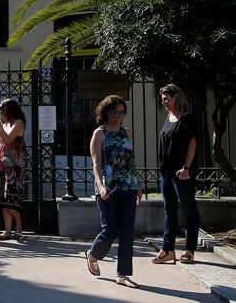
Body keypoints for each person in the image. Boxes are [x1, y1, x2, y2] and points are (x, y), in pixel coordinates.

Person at [85, 95, 142, 289]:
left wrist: (138, 185)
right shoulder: (99, 133)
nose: (119, 117)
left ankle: (123, 274)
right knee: (109, 231)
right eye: (115, 113)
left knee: (127, 233)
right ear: (106, 112)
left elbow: (131, 161)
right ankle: (92, 254)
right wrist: (100, 186)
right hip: (108, 190)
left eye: (122, 113)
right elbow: (96, 164)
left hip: (128, 188)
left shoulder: (127, 132)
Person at [152, 83, 201, 265]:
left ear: (176, 97)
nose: (163, 102)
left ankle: (189, 250)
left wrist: (186, 168)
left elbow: (192, 144)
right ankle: (167, 250)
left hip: (182, 172)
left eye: (166, 98)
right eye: (163, 98)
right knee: (169, 210)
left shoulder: (187, 119)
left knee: (189, 210)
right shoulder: (169, 118)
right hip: (167, 172)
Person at [0, 98, 26, 240]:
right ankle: (8, 230)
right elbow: (2, 145)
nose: (0, 112)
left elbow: (8, 140)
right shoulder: (6, 124)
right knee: (3, 199)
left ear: (9, 110)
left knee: (11, 197)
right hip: (1, 164)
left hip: (13, 165)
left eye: (2, 109)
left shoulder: (18, 123)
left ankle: (18, 225)